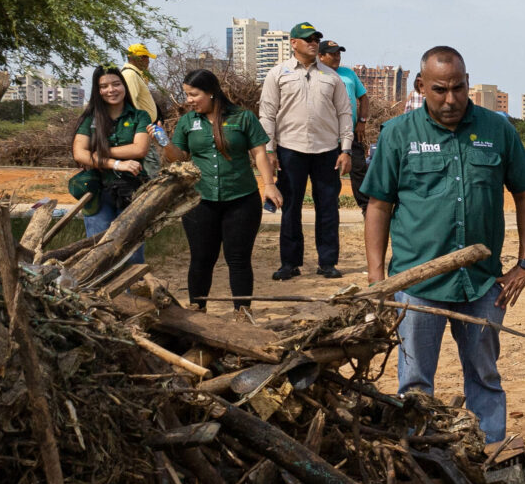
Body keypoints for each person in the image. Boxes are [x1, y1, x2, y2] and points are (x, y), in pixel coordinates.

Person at [359, 46, 525, 444]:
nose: (451, 99)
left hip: (480, 285)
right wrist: (378, 280)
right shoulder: (398, 134)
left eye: (459, 88)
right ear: (421, 86)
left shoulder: (498, 130)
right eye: (440, 89)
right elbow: (379, 206)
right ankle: (417, 461)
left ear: (468, 83)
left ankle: (491, 457)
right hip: (416, 286)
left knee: (485, 378)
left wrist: (524, 263)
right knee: (415, 385)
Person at [171, 69, 275, 314]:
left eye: (194, 94)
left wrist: (269, 185)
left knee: (238, 260)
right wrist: (163, 143)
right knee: (201, 260)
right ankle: (197, 313)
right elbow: (178, 156)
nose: (189, 100)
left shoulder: (243, 117)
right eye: (186, 94)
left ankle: (242, 313)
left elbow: (259, 152)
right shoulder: (187, 122)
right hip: (200, 201)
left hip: (241, 199)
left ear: (211, 93)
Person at [258, 20, 355, 279]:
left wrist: (345, 149)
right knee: (290, 207)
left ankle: (327, 262)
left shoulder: (332, 76)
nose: (313, 43)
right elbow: (267, 114)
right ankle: (290, 263)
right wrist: (270, 149)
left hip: (326, 151)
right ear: (294, 43)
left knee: (328, 207)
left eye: (315, 39)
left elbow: (344, 113)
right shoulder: (277, 74)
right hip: (291, 149)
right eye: (308, 39)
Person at [68, 66, 159, 259]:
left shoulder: (139, 116)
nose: (111, 90)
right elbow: (78, 153)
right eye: (104, 86)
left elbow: (139, 149)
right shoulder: (90, 118)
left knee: (132, 253)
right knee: (97, 252)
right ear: (98, 90)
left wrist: (97, 154)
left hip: (132, 190)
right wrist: (117, 164)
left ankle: (132, 289)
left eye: (116, 84)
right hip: (98, 191)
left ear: (124, 86)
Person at [323, 39, 373, 202]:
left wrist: (362, 121)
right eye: (332, 54)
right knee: (328, 175)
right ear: (321, 56)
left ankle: (366, 209)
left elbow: (364, 98)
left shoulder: (349, 73)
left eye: (339, 53)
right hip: (326, 136)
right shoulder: (317, 74)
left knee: (359, 170)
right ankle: (331, 207)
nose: (337, 57)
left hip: (350, 134)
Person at [119, 42, 174, 119]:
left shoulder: (135, 74)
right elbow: (131, 102)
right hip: (139, 126)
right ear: (140, 58)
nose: (148, 61)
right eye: (147, 57)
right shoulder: (130, 74)